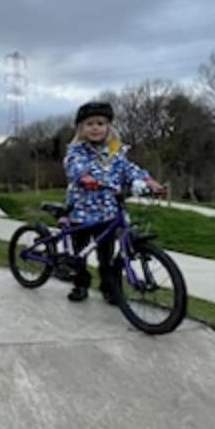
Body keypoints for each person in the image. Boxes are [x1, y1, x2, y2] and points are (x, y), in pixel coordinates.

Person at [62, 101, 164, 303]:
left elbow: (129, 169)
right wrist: (84, 177)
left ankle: (109, 288)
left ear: (108, 127)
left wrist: (148, 180)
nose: (95, 128)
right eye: (89, 124)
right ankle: (80, 284)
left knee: (106, 256)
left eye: (100, 123)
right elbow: (73, 165)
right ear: (81, 128)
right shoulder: (77, 150)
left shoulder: (116, 151)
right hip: (81, 211)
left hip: (108, 211)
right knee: (80, 253)